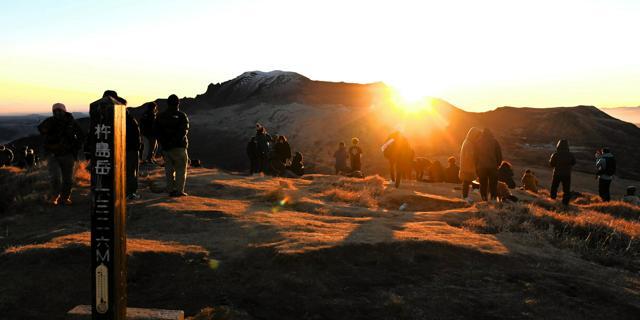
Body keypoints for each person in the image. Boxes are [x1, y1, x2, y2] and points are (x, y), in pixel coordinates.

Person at [38, 103, 86, 205]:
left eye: (59, 110)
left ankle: (65, 198)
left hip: (68, 154)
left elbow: (81, 135)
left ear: (64, 111)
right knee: (55, 178)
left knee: (68, 179)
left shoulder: (72, 122)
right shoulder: (50, 121)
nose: (57, 112)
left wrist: (75, 146)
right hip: (53, 154)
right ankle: (54, 197)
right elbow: (41, 130)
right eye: (55, 111)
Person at [155, 94, 190, 197]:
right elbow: (183, 132)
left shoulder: (160, 116)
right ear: (178, 103)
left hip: (166, 148)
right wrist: (173, 141)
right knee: (180, 169)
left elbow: (156, 131)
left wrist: (164, 143)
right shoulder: (182, 116)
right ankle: (179, 190)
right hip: (179, 147)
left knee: (169, 169)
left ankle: (170, 189)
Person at [474, 128, 502, 201]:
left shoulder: (478, 142)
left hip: (481, 167)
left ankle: (484, 199)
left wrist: (476, 166)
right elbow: (499, 154)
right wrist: (498, 164)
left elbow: (475, 156)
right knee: (493, 185)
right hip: (492, 166)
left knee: (483, 184)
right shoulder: (494, 142)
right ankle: (493, 199)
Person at [549, 139, 576, 206]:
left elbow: (551, 164)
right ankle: (565, 204)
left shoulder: (555, 154)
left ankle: (552, 201)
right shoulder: (570, 154)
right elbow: (574, 162)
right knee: (566, 190)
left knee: (554, 188)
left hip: (557, 173)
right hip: (567, 174)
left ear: (558, 145)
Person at [459, 127, 481, 202]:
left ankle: (465, 196)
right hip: (467, 166)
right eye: (477, 136)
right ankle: (465, 197)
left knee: (467, 181)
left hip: (467, 166)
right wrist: (475, 159)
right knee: (466, 181)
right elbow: (469, 156)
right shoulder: (469, 143)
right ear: (473, 135)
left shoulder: (468, 142)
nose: (478, 138)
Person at [126, 108, 142, 200]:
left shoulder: (112, 119)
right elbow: (136, 135)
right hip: (131, 150)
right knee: (131, 171)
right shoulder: (131, 120)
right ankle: (131, 192)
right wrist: (138, 147)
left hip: (122, 150)